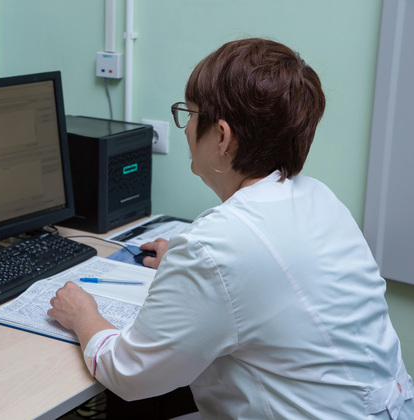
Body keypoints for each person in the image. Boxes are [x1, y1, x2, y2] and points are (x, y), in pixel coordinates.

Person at [48, 38, 413, 418]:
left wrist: (82, 314)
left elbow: (130, 375)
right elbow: (273, 276)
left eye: (189, 114)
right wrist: (187, 267)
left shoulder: (217, 246)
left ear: (222, 137)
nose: (186, 129)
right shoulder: (318, 198)